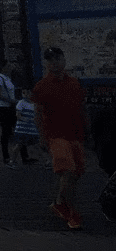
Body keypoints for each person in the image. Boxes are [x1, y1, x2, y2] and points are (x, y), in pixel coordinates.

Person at [31, 47, 87, 230]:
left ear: (63, 60)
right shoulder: (41, 87)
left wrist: (86, 130)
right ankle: (70, 212)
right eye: (50, 59)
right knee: (68, 171)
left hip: (75, 134)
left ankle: (60, 204)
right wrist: (42, 138)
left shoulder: (74, 83)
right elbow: (38, 115)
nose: (54, 62)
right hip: (55, 136)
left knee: (74, 175)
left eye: (57, 58)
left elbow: (80, 108)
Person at [0, 64, 18, 168]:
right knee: (6, 131)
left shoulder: (6, 78)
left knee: (15, 130)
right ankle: (6, 156)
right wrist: (10, 101)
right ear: (3, 67)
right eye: (7, 65)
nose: (10, 67)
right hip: (4, 108)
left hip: (9, 107)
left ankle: (20, 156)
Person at [11, 87, 39, 167]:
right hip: (23, 129)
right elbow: (18, 116)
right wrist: (28, 120)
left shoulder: (34, 104)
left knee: (36, 145)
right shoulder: (21, 103)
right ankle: (12, 161)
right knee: (19, 145)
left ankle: (46, 162)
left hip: (30, 129)